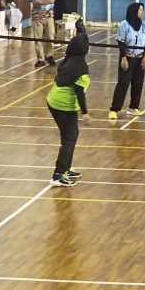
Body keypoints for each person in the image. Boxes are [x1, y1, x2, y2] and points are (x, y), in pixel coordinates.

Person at [46, 32, 91, 188]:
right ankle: (58, 175)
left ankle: (65, 168)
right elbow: (79, 92)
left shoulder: (68, 60)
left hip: (53, 100)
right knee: (69, 138)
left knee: (69, 136)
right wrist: (85, 113)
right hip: (63, 105)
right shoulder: (81, 67)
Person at [109, 3, 145, 120]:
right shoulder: (124, 25)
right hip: (127, 58)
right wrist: (123, 58)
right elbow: (121, 42)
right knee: (123, 83)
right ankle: (114, 109)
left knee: (138, 83)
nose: (142, 12)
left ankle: (133, 107)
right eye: (140, 10)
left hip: (139, 58)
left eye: (143, 10)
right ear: (134, 11)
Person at [30, 0, 57, 68]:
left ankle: (49, 55)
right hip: (37, 16)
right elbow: (34, 2)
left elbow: (51, 0)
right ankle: (40, 59)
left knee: (50, 36)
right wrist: (44, 1)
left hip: (48, 15)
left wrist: (40, 1)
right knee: (38, 38)